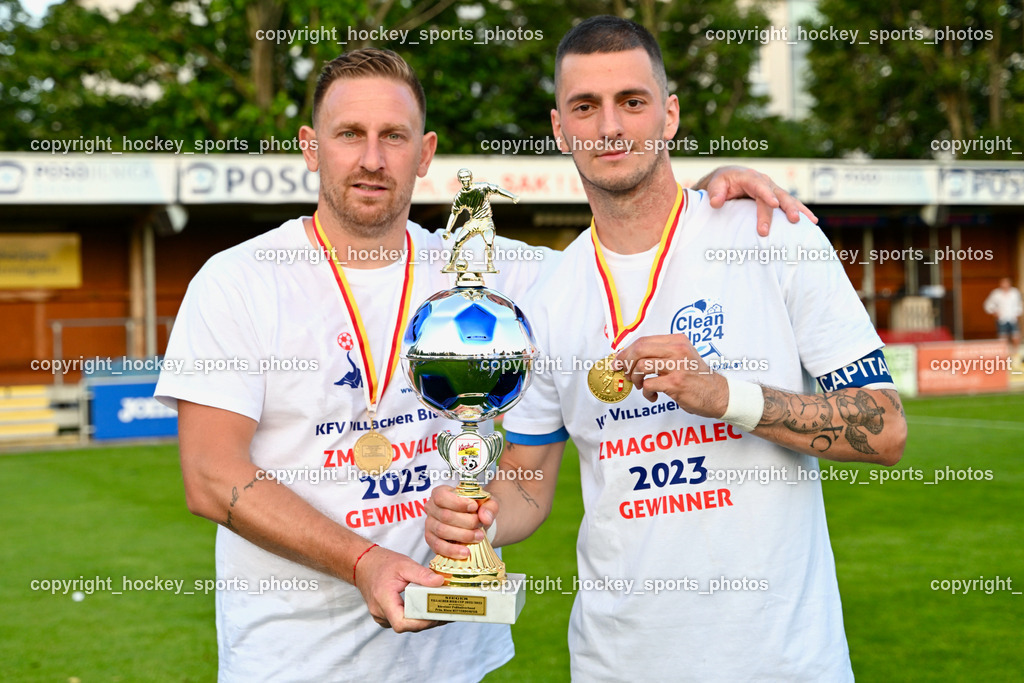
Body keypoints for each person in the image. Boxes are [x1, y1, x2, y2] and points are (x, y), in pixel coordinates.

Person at [154, 46, 819, 681]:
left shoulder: (488, 271)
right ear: (310, 146)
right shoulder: (239, 280)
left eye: (395, 136)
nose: (372, 157)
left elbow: (629, 249)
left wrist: (704, 202)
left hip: (451, 658)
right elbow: (212, 475)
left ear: (426, 153)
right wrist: (362, 561)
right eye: (349, 133)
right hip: (291, 660)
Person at [425, 17, 908, 682]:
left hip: (782, 662)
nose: (610, 128)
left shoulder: (771, 235)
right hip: (616, 662)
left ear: (669, 114)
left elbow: (885, 429)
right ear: (560, 128)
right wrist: (476, 512)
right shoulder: (545, 298)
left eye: (632, 101)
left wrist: (723, 396)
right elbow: (528, 488)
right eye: (585, 107)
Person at [983, 277, 1023, 360]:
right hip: (1002, 319)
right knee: (1003, 338)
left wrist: (1018, 313)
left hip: (1012, 318)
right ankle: (1005, 355)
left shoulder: (1015, 293)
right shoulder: (996, 293)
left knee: (1016, 336)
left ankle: (1015, 353)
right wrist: (994, 312)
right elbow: (988, 305)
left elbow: (1019, 304)